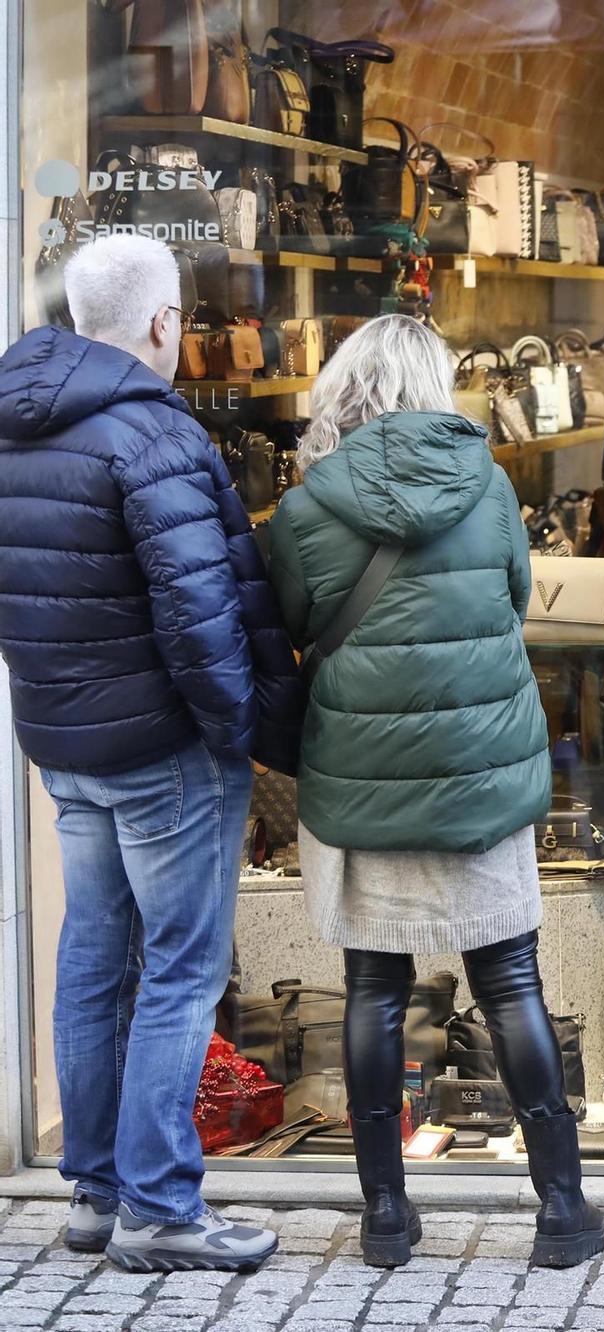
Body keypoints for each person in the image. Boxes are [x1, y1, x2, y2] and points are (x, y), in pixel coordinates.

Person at [265, 315, 603, 1269]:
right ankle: (564, 1210)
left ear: (342, 389)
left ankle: (384, 1217)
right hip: (483, 776)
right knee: (510, 981)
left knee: (373, 989)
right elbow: (511, 595)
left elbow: (290, 630)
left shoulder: (302, 512)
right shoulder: (490, 487)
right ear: (432, 386)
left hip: (362, 780)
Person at [0, 234, 302, 1271]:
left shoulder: (14, 429)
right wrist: (244, 734)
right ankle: (161, 1208)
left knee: (93, 959)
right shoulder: (153, 438)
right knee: (178, 972)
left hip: (64, 739)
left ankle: (93, 1195)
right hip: (164, 749)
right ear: (165, 324)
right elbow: (200, 617)